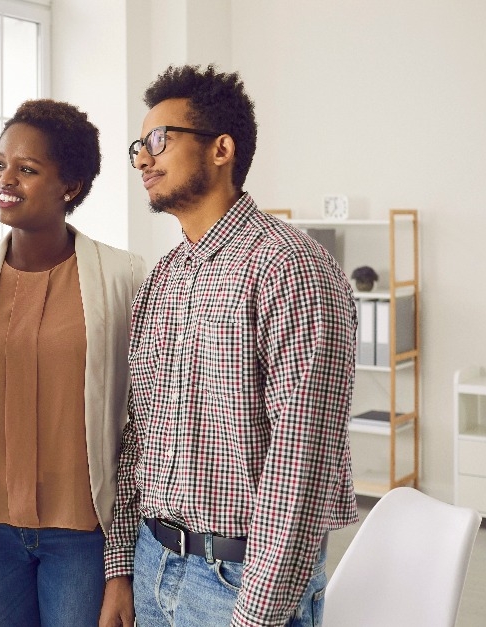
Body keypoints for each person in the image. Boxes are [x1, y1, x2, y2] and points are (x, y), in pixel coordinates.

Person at [103, 64, 358, 627]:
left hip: (238, 585)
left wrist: (257, 614)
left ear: (221, 149)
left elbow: (301, 460)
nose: (143, 160)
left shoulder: (291, 266)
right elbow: (138, 435)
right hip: (152, 563)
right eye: (138, 148)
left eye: (158, 140)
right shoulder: (163, 277)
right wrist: (120, 566)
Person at [0, 99, 147, 626]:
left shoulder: (125, 277)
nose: (5, 179)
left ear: (69, 186)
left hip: (84, 535)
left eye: (26, 169)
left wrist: (126, 554)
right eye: (0, 163)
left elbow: (142, 416)